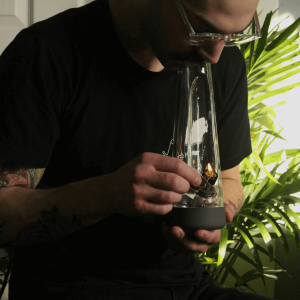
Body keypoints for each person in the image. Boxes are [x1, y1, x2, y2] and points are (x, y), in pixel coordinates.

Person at [0, 0, 275, 299]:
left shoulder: (222, 59)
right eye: (202, 29)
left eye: (231, 36)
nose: (214, 54)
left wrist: (213, 214)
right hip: (69, 288)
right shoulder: (46, 53)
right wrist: (107, 194)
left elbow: (230, 182)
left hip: (186, 287)